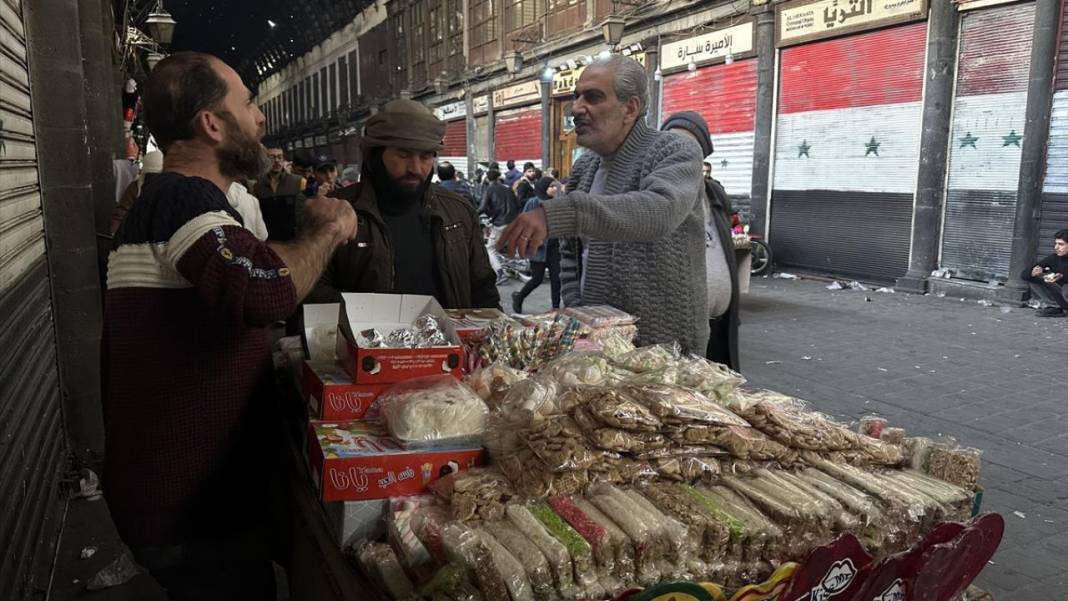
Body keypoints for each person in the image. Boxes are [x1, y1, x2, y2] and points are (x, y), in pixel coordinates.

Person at [102, 52, 357, 600]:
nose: (260, 117)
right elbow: (262, 290)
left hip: (181, 501)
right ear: (212, 124)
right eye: (247, 101)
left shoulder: (170, 205)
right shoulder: (183, 199)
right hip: (191, 510)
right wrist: (327, 231)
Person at [499, 55, 708, 353]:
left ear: (630, 108)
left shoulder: (675, 150)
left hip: (662, 345)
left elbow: (660, 210)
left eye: (593, 97)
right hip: (594, 343)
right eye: (576, 97)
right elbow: (571, 253)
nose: (576, 109)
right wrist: (577, 310)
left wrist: (563, 212)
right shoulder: (586, 167)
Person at [307, 99, 500, 309]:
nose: (415, 168)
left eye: (425, 156)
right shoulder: (335, 210)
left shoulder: (458, 212)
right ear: (373, 156)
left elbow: (483, 292)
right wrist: (379, 318)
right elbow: (311, 292)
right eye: (403, 154)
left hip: (452, 341)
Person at [662, 111, 740, 370]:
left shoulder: (716, 195)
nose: (681, 153)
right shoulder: (655, 199)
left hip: (721, 324)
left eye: (690, 146)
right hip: (676, 330)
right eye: (673, 144)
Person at [512, 175, 562, 313]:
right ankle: (519, 296)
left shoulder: (557, 202)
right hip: (538, 248)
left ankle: (556, 308)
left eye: (554, 186)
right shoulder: (533, 203)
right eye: (551, 187)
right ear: (543, 188)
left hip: (554, 246)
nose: (554, 189)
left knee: (556, 278)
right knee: (537, 279)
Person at [252, 147, 306, 241]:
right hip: (269, 239)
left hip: (295, 239)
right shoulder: (257, 186)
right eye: (272, 158)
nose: (277, 161)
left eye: (280, 157)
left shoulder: (298, 181)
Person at [478, 168, 520, 283]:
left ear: (487, 178)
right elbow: (518, 204)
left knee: (490, 249)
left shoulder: (489, 190)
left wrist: (472, 215)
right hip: (515, 221)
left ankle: (500, 274)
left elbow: (482, 207)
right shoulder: (508, 189)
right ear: (498, 178)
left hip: (501, 223)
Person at [111, 149, 164, 234]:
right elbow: (120, 215)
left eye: (157, 176)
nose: (154, 180)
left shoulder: (170, 189)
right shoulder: (135, 188)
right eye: (150, 176)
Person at [1023, 229, 1068, 317]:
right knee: (1033, 279)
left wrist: (1062, 276)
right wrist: (1035, 272)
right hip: (1061, 294)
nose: (1056, 247)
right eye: (1056, 244)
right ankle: (1056, 307)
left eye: (1061, 244)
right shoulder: (1054, 258)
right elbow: (1024, 274)